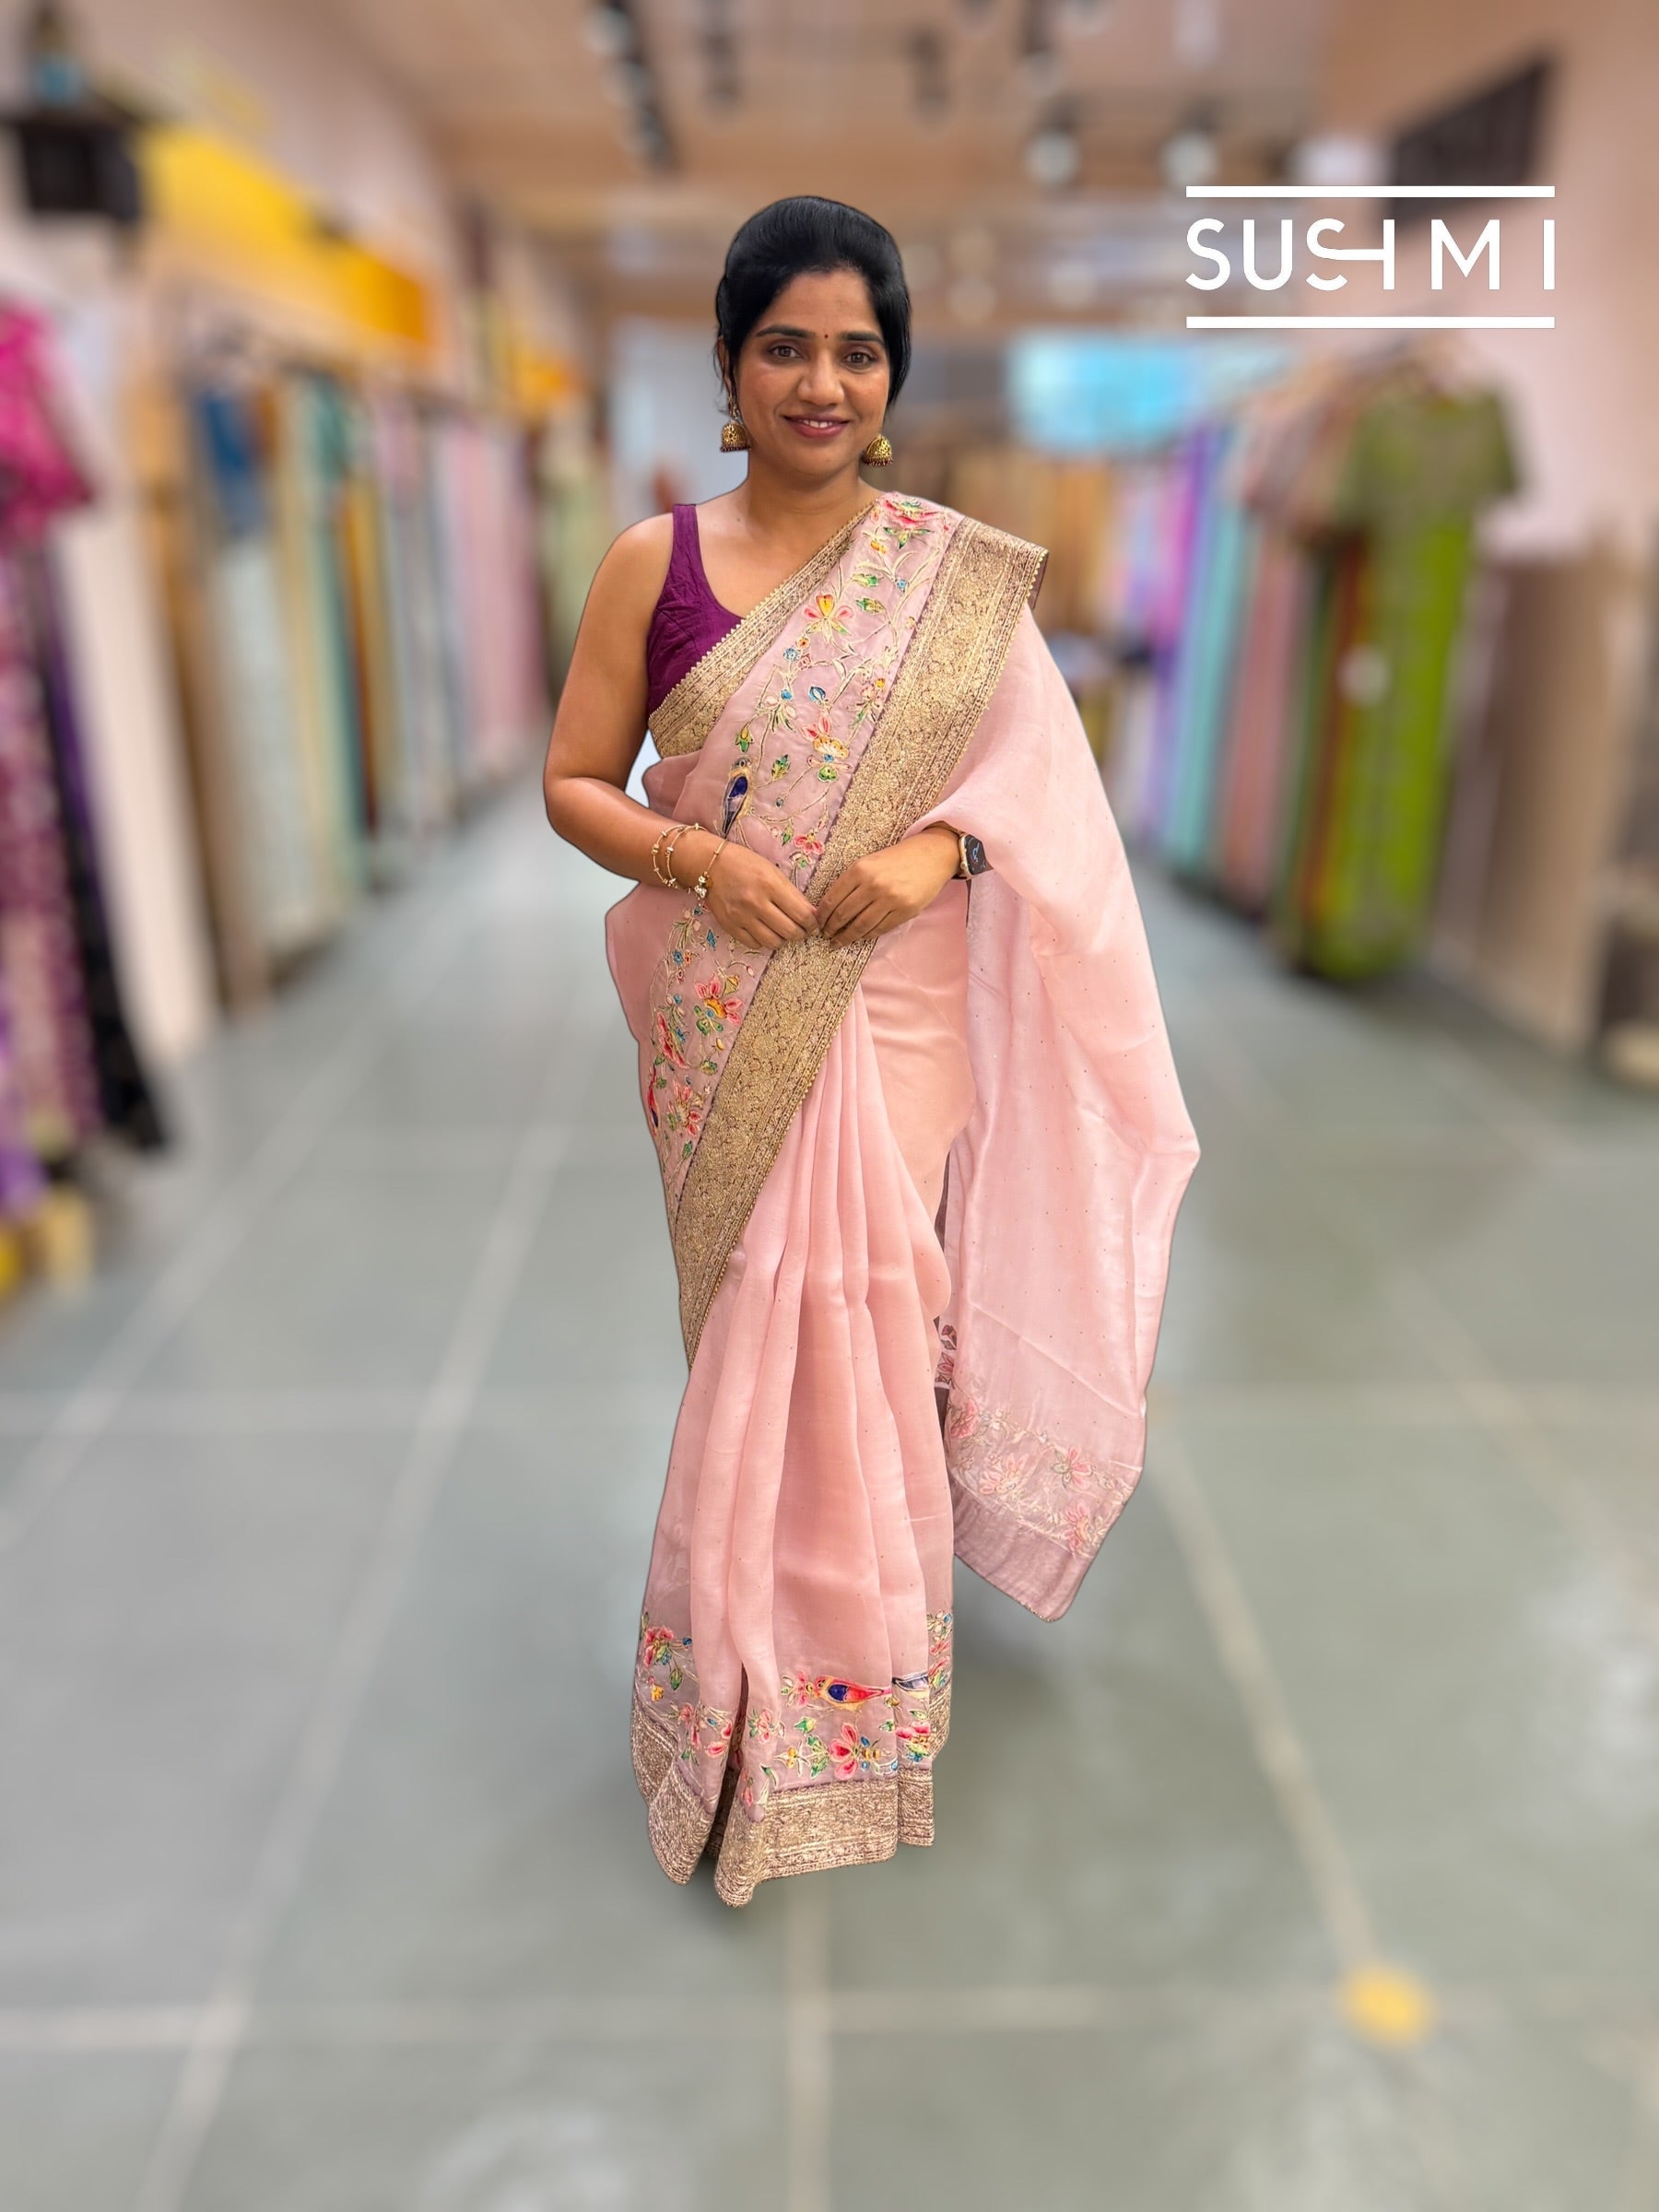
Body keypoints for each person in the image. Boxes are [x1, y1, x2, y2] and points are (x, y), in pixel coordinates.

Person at [543, 195, 1200, 1909]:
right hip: (726, 1003)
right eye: (786, 347)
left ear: (892, 375)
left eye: (856, 351)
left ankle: (852, 1694)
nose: (821, 383)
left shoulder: (954, 582)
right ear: (729, 363)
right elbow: (575, 783)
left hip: (897, 1005)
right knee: (756, 1342)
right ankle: (732, 1704)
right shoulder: (653, 564)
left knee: (873, 1328)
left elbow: (1048, 798)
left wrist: (940, 853)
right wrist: (697, 861)